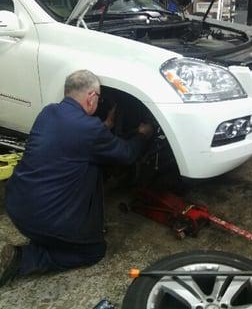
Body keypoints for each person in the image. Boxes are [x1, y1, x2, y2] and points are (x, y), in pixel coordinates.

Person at [0, 69, 153, 287]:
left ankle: (51, 239)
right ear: (91, 97)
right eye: (99, 99)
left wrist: (105, 127)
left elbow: (75, 139)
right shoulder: (90, 130)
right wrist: (142, 134)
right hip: (44, 218)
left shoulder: (48, 112)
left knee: (86, 165)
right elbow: (127, 154)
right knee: (94, 251)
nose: (98, 104)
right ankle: (23, 259)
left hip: (16, 205)